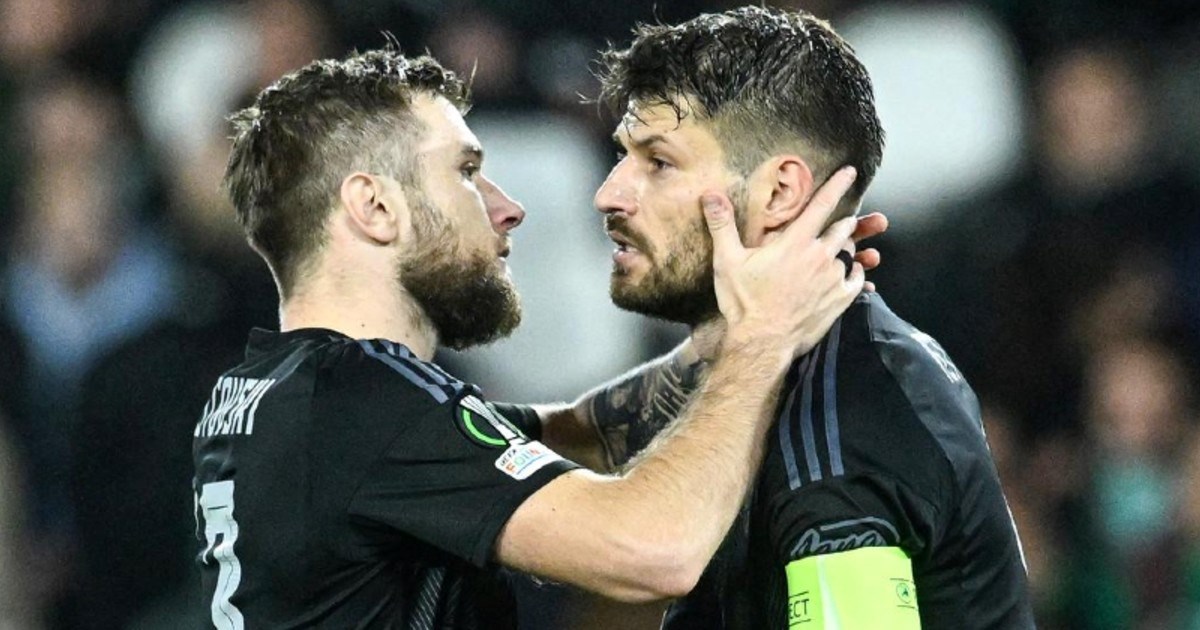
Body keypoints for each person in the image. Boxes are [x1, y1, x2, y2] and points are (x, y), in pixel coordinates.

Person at [192, 48, 876, 628]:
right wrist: (762, 338)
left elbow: (575, 431)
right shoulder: (362, 400)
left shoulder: (272, 391)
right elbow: (656, 551)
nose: (508, 207)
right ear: (375, 207)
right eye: (466, 172)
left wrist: (726, 336)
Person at [531, 7, 1035, 629]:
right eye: (622, 155)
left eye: (658, 163)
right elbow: (575, 433)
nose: (608, 193)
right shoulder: (774, 369)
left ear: (778, 193)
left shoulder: (838, 424)